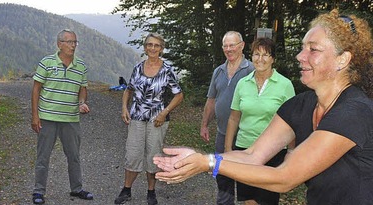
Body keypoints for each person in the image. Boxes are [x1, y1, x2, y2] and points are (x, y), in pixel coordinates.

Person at [155, 9, 373, 204]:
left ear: (342, 60)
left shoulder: (354, 111)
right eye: (302, 48)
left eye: (313, 49)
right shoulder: (301, 105)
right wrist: (198, 157)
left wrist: (209, 163)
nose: (300, 56)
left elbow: (285, 177)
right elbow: (252, 155)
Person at [223, 37, 295, 205]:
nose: (260, 59)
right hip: (244, 149)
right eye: (256, 54)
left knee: (266, 200)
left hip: (273, 150)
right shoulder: (242, 83)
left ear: (273, 59)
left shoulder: (285, 85)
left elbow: (292, 122)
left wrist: (291, 152)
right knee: (248, 200)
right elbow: (234, 118)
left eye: (265, 55)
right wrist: (228, 149)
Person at [114, 33, 184, 205]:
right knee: (132, 154)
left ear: (161, 49)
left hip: (157, 120)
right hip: (137, 117)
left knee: (153, 156)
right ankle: (126, 189)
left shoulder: (167, 70)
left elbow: (179, 95)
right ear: (145, 47)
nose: (153, 48)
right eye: (150, 45)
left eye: (157, 45)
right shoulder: (138, 67)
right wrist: (124, 107)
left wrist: (164, 112)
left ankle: (151, 192)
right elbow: (128, 89)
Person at [31, 29, 93, 204]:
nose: (73, 45)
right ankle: (38, 192)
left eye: (75, 42)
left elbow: (83, 89)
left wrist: (82, 103)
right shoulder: (46, 62)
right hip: (47, 117)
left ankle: (77, 189)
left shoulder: (81, 66)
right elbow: (36, 89)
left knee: (74, 156)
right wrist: (35, 116)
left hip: (71, 119)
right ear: (59, 44)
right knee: (43, 156)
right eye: (69, 42)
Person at [199, 31, 255, 205]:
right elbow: (211, 100)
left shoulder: (252, 70)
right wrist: (204, 124)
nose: (229, 49)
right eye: (226, 46)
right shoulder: (219, 71)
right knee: (222, 174)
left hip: (247, 135)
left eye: (232, 45)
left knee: (248, 177)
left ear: (242, 46)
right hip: (222, 133)